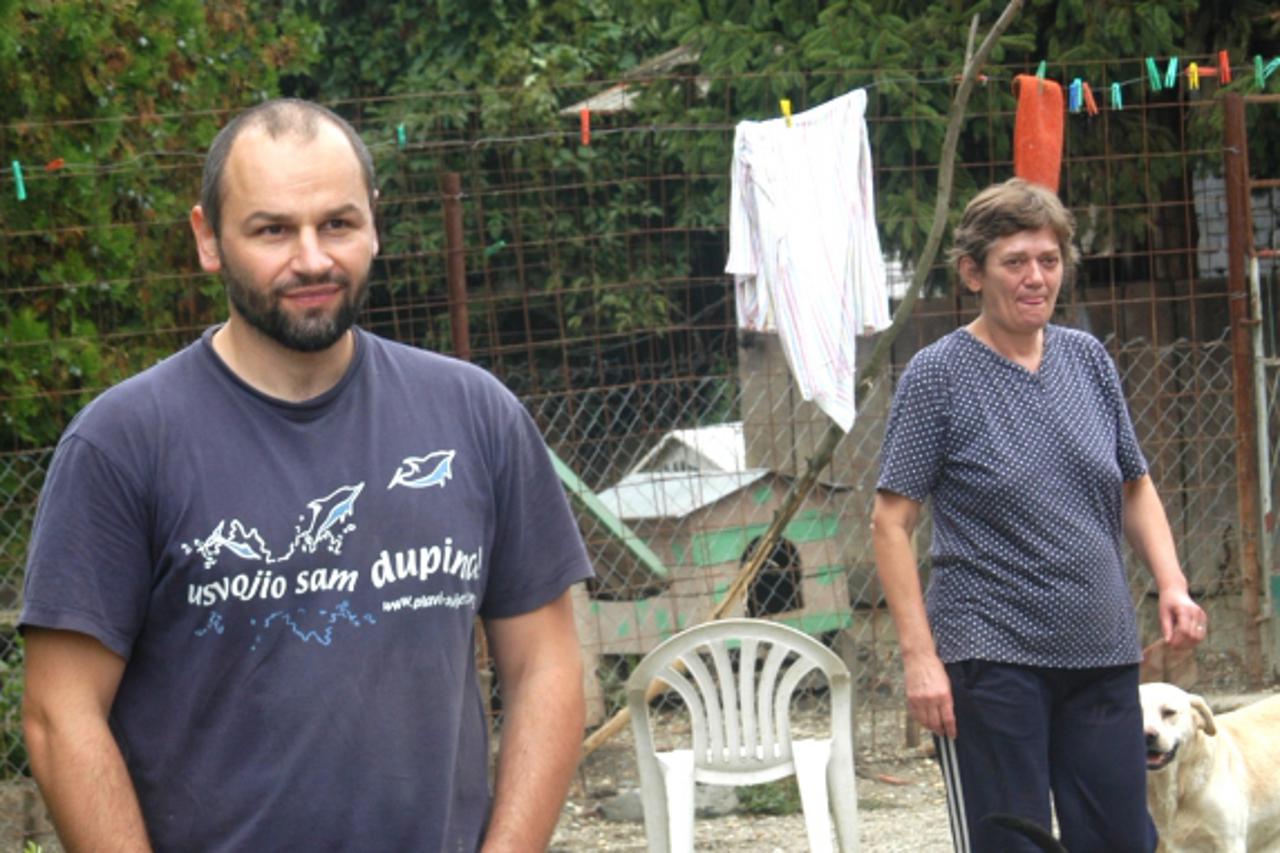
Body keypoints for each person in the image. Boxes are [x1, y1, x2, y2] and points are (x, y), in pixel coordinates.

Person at [20, 98, 594, 852]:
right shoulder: (123, 444)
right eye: (272, 230)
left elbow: (545, 664)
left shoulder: (476, 417)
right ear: (208, 239)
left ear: (374, 223)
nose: (313, 258)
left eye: (338, 223)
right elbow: (59, 714)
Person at [870, 178, 1206, 852]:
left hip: (1102, 651)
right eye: (1014, 261)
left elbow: (1134, 485)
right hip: (991, 660)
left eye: (1048, 260)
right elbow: (890, 522)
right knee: (1011, 842)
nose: (1035, 278)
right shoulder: (937, 376)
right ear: (972, 272)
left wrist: (1171, 581)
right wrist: (920, 659)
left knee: (1120, 840)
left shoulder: (1087, 359)